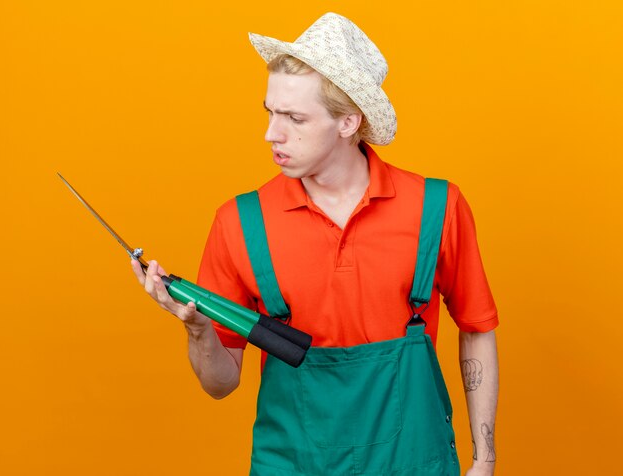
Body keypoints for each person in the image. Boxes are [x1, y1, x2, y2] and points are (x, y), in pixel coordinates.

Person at [132, 12, 499, 476]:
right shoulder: (240, 223)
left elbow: (478, 328)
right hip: (292, 465)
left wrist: (483, 462)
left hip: (414, 464)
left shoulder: (436, 208)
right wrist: (198, 329)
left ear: (348, 122)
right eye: (270, 111)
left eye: (294, 117)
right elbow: (220, 385)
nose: (272, 133)